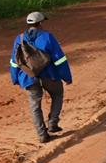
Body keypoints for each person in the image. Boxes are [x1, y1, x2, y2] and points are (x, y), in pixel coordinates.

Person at [9, 11, 72, 143]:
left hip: (29, 77)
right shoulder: (48, 37)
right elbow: (59, 59)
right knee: (57, 95)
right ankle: (53, 124)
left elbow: (15, 61)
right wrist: (66, 76)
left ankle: (42, 135)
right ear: (41, 23)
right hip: (50, 75)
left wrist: (15, 78)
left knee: (34, 106)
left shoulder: (19, 38)